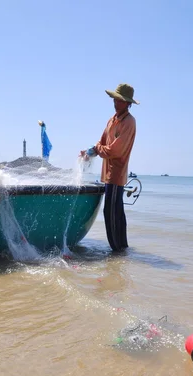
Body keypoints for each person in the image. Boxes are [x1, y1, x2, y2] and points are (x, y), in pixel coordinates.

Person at [80, 83, 138, 251]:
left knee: (111, 213)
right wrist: (89, 152)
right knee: (116, 212)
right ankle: (122, 250)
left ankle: (116, 252)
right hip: (107, 173)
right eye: (115, 99)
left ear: (128, 103)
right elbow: (102, 143)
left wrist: (97, 149)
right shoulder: (112, 120)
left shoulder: (129, 122)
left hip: (117, 174)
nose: (115, 102)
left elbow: (114, 150)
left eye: (119, 100)